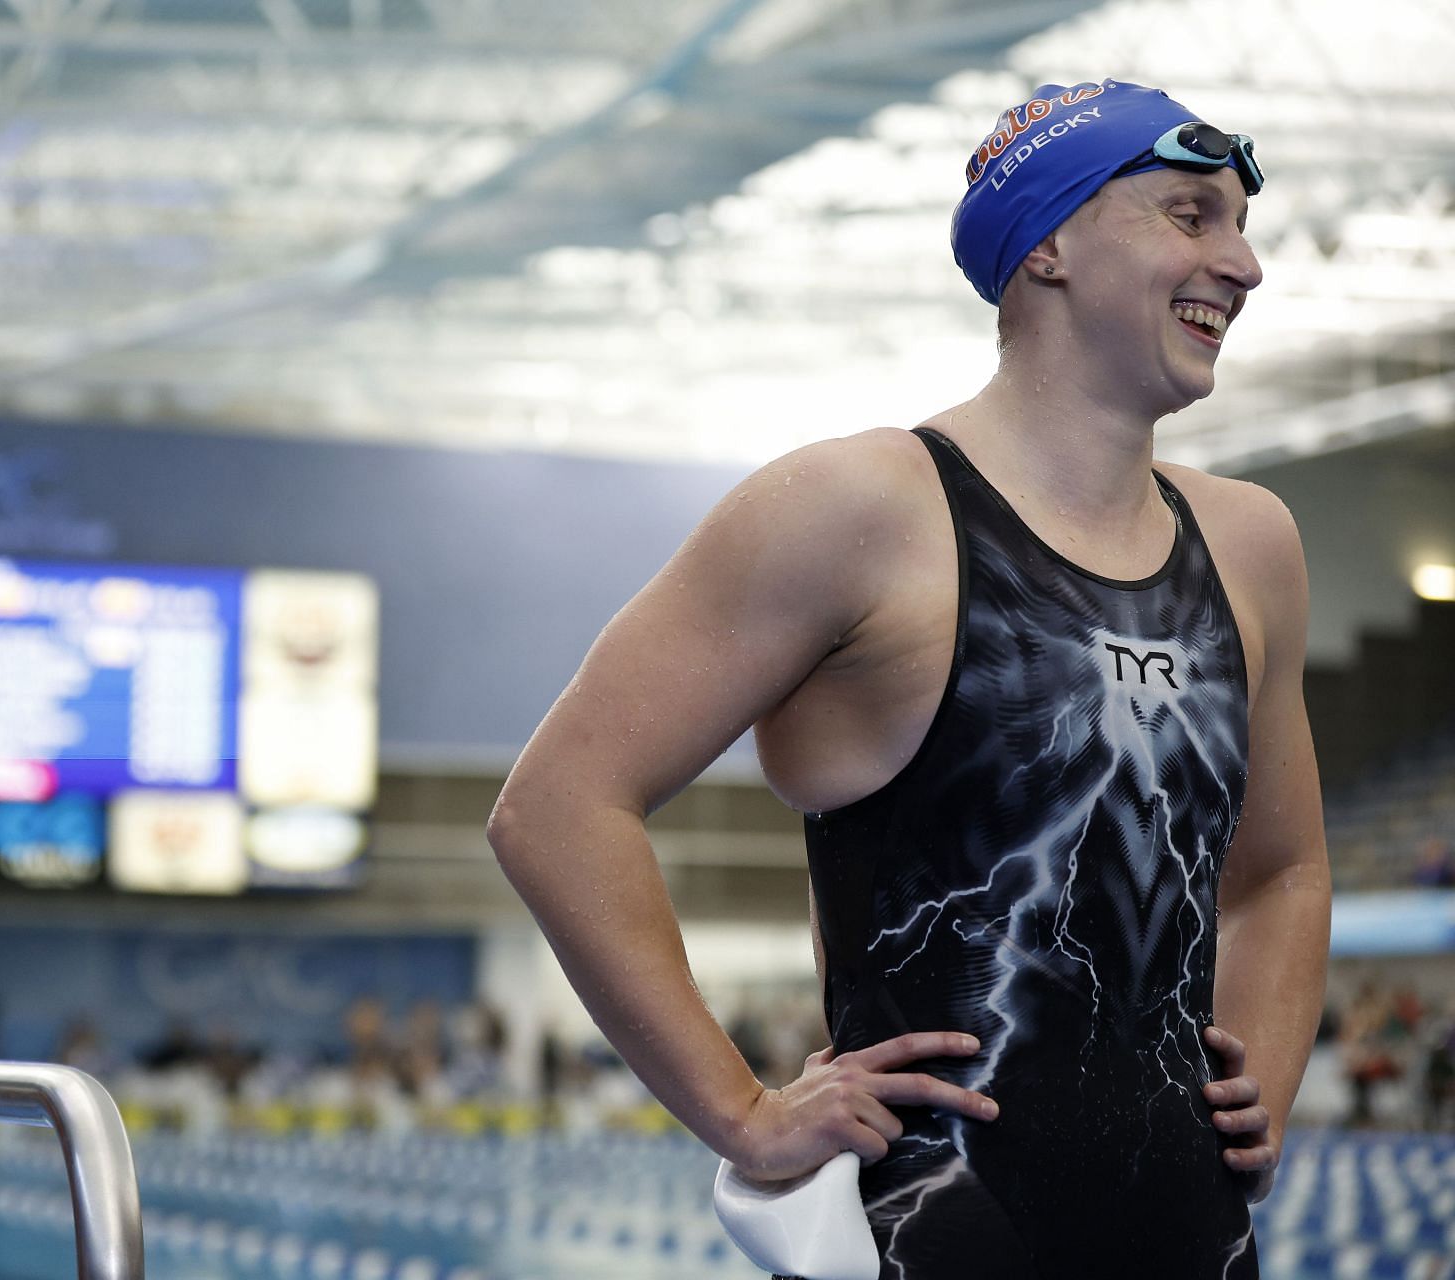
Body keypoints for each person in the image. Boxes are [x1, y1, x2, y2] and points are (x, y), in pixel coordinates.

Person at [488, 79, 1330, 1279]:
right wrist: (740, 1109)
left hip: (1196, 1242)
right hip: (932, 1237)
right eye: (1193, 215)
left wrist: (1271, 1070)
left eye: (1243, 224)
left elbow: (1283, 866)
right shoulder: (859, 510)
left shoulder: (1252, 545)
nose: (1241, 263)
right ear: (1048, 242)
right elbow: (559, 804)